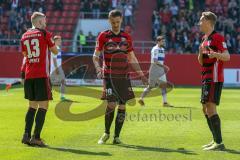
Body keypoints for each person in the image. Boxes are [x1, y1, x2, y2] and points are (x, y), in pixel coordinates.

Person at [92, 9, 148, 145]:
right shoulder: (103, 36)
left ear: (121, 20)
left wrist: (141, 75)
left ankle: (117, 137)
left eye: (117, 22)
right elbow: (95, 56)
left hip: (124, 76)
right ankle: (106, 133)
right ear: (109, 21)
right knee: (111, 104)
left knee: (122, 106)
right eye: (113, 22)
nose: (115, 24)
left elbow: (132, 57)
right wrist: (98, 68)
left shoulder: (127, 37)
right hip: (109, 75)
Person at [21, 12, 58, 147]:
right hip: (41, 75)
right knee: (44, 106)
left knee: (32, 106)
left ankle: (26, 135)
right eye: (44, 21)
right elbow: (55, 51)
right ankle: (36, 137)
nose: (45, 23)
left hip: (29, 75)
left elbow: (25, 55)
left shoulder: (24, 36)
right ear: (38, 22)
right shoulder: (44, 33)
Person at [198, 11, 230, 151]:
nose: (199, 23)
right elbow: (201, 62)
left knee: (210, 108)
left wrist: (216, 54)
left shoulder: (217, 37)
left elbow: (227, 56)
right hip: (205, 77)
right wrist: (200, 52)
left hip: (214, 77)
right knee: (205, 108)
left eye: (201, 20)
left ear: (208, 21)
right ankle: (215, 140)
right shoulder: (204, 39)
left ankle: (219, 143)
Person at [138, 36, 173, 107]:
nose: (164, 42)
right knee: (152, 86)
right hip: (155, 68)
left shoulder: (162, 49)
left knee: (160, 86)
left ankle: (164, 102)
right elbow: (155, 61)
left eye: (164, 41)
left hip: (159, 69)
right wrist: (164, 66)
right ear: (158, 41)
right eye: (162, 41)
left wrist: (163, 67)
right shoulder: (155, 49)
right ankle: (142, 98)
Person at [50, 35, 66, 101]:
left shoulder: (58, 48)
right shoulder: (55, 48)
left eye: (60, 40)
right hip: (55, 68)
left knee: (63, 81)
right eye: (59, 40)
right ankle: (48, 95)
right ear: (55, 41)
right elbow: (54, 59)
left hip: (58, 67)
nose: (60, 41)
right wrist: (56, 69)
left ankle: (62, 96)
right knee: (50, 83)